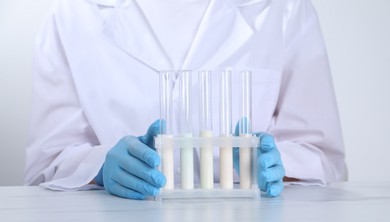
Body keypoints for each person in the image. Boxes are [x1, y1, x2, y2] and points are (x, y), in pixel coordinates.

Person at [24, 0, 346, 199]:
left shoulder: (283, 8)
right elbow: (45, 165)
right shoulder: (72, 12)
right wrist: (101, 167)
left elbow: (323, 157)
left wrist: (275, 166)